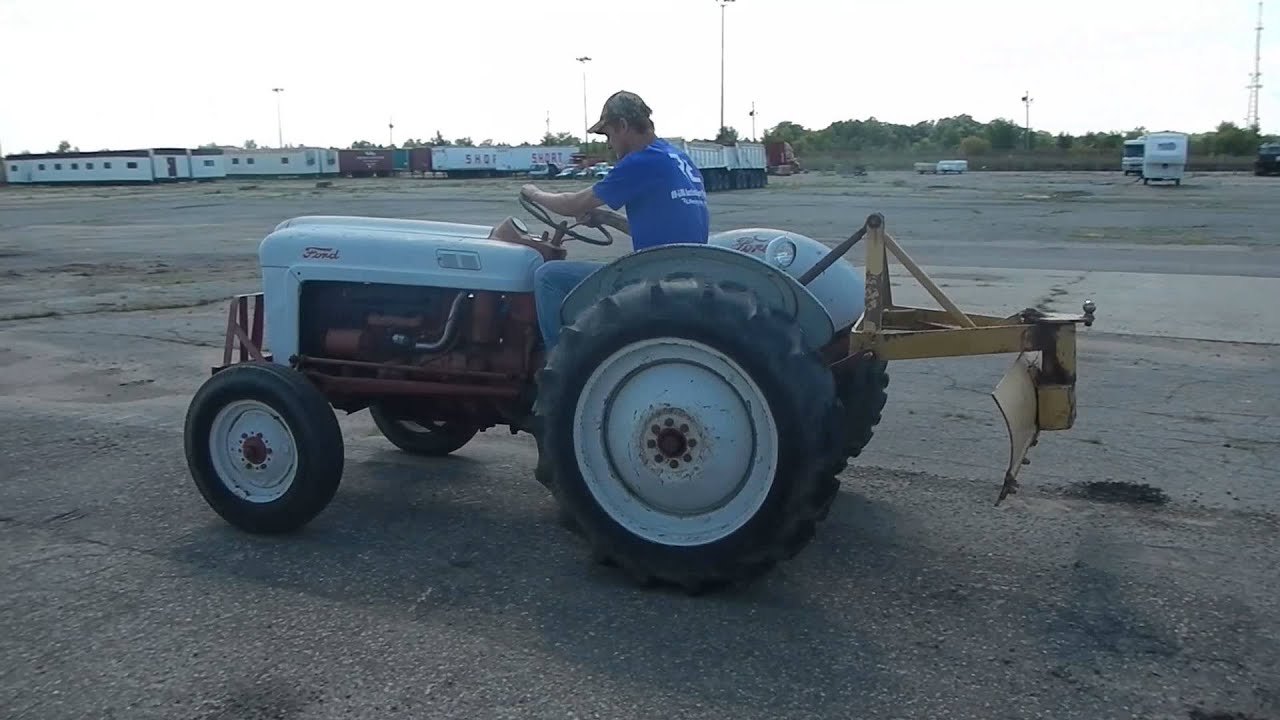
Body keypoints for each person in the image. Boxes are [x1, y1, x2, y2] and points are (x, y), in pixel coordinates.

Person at [520, 90, 710, 351]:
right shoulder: (676, 158)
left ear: (623, 125)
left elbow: (572, 205)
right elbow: (664, 230)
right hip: (683, 268)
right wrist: (606, 217)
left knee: (548, 277)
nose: (609, 144)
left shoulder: (641, 162)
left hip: (654, 277)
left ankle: (560, 363)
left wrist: (533, 193)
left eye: (609, 134)